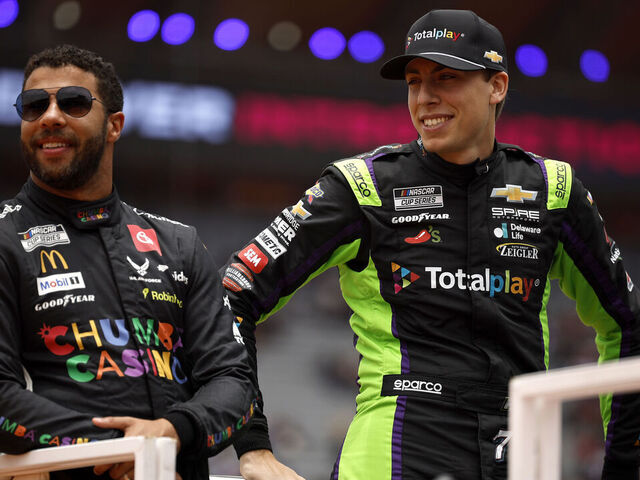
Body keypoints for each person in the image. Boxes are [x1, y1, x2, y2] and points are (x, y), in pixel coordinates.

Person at [223, 9, 640, 480]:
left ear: (497, 86)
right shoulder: (363, 186)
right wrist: (251, 443)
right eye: (414, 81)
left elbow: (627, 323)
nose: (425, 98)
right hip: (397, 447)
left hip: (521, 446)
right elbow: (233, 295)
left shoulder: (554, 188)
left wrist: (624, 466)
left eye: (446, 77)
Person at [0, 44, 257, 480]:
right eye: (33, 105)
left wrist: (172, 433)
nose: (50, 116)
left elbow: (234, 382)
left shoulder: (179, 244)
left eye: (74, 102)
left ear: (115, 125)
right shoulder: (4, 239)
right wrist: (120, 449)